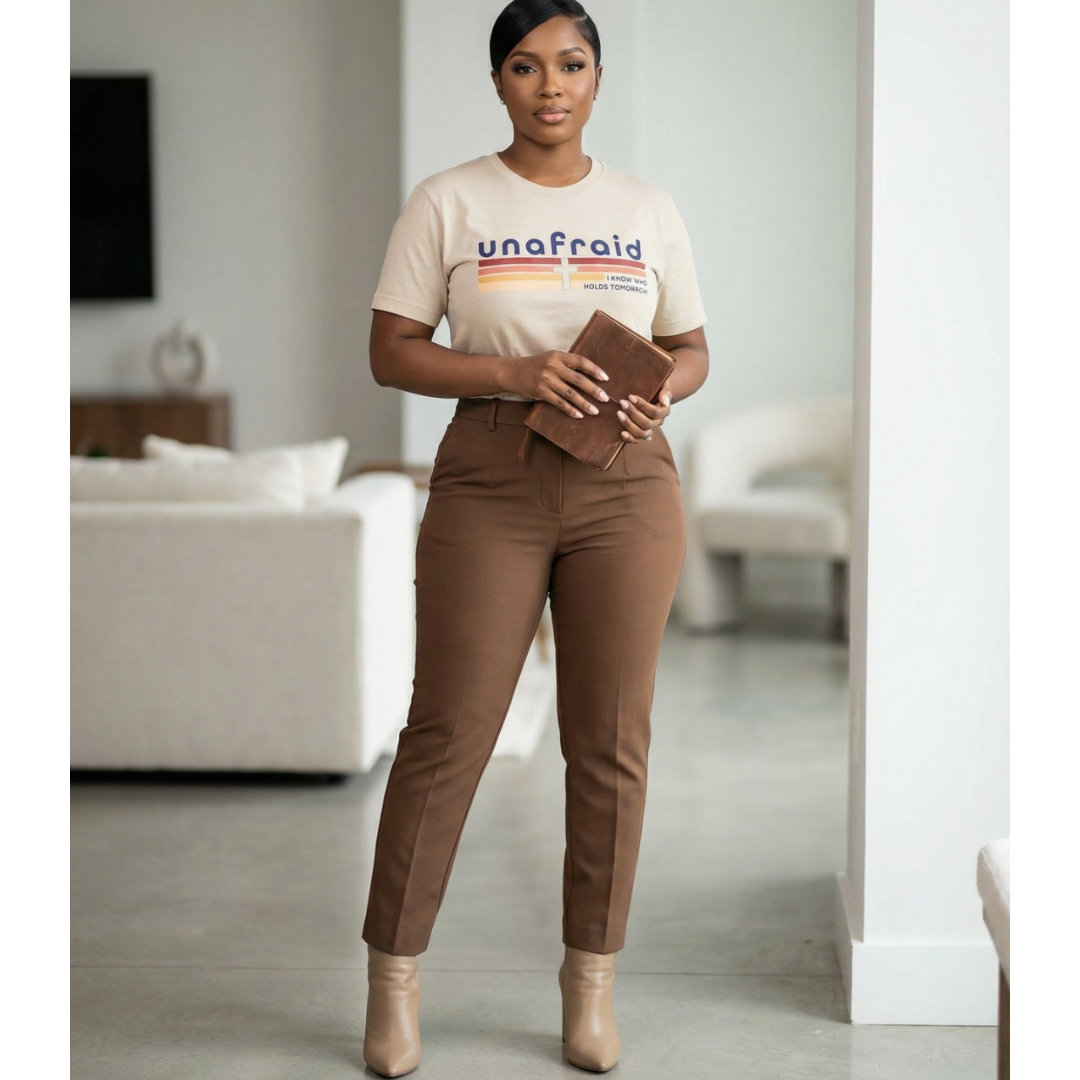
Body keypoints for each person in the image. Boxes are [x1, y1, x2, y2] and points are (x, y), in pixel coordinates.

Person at [361, 1, 708, 1074]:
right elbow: (391, 351)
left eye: (571, 63)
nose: (550, 84)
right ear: (500, 82)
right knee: (447, 731)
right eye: (526, 65)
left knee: (609, 743)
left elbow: (690, 347)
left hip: (627, 486)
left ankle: (589, 983)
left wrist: (664, 397)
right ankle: (394, 978)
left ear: (597, 78)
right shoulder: (449, 200)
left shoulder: (647, 207)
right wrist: (514, 371)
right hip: (489, 478)